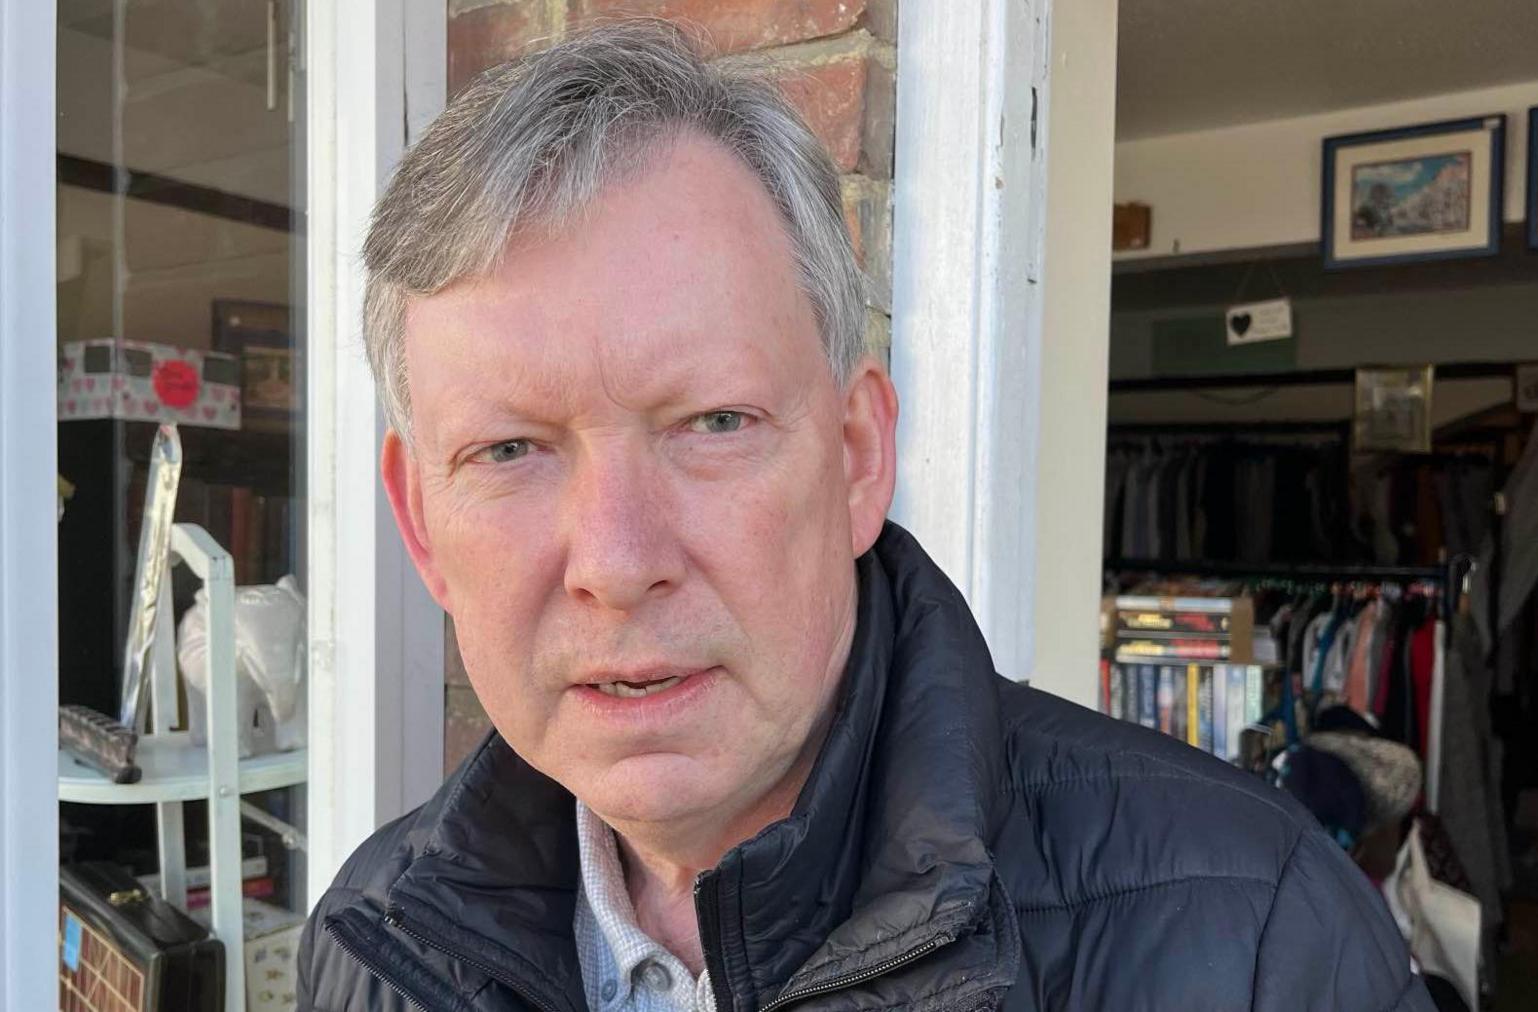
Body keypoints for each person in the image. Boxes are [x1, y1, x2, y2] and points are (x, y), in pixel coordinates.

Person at [297, 19, 1430, 1011]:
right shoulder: (369, 942)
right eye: (508, 449)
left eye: (712, 423)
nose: (616, 559)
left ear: (856, 458)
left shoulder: (1261, 943)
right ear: (421, 522)